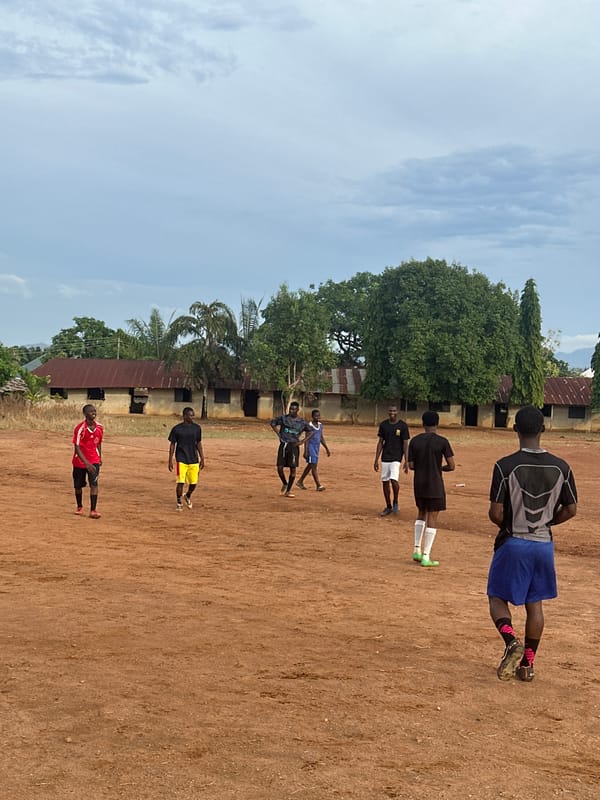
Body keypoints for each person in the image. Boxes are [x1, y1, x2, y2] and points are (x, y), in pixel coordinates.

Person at [487, 405, 577, 682]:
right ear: (543, 429)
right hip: (543, 545)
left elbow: (496, 513)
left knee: (496, 596)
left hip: (514, 541)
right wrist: (547, 523)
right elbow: (571, 509)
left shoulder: (505, 466)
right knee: (534, 604)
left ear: (515, 430)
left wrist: (511, 525)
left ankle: (510, 641)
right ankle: (527, 665)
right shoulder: (562, 467)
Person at [408, 411, 455, 567]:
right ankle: (426, 556)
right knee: (432, 518)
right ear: (437, 423)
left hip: (419, 483)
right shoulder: (442, 442)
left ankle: (416, 549)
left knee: (421, 513)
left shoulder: (414, 441)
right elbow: (451, 465)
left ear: (423, 423)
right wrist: (438, 468)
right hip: (435, 484)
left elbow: (411, 465)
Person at [270, 401, 313, 497]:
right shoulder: (284, 418)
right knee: (280, 468)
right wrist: (279, 434)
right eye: (290, 409)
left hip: (294, 446)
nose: (291, 411)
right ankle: (285, 483)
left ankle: (288, 490)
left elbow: (311, 431)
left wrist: (302, 441)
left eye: (294, 409)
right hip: (284, 444)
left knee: (293, 469)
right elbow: (273, 423)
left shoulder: (301, 422)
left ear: (297, 410)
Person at [373, 404, 410, 516]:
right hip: (386, 457)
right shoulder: (384, 425)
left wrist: (406, 460)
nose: (392, 412)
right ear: (388, 412)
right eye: (390, 411)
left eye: (394, 410)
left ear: (397, 411)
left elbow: (405, 444)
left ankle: (395, 501)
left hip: (396, 458)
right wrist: (376, 459)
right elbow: (380, 442)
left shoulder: (403, 426)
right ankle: (388, 506)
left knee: (394, 480)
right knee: (385, 481)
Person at [168, 407, 205, 512]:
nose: (192, 417)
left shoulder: (197, 428)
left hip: (194, 459)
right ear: (184, 416)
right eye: (190, 415)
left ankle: (187, 495)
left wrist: (202, 458)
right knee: (180, 482)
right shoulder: (177, 429)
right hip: (181, 459)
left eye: (193, 415)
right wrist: (170, 460)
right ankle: (179, 502)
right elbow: (172, 444)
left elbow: (198, 443)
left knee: (193, 483)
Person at [72, 404, 103, 519]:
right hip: (79, 462)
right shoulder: (80, 429)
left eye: (94, 411)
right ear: (85, 414)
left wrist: (99, 458)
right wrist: (86, 463)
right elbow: (77, 447)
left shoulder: (100, 427)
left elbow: (99, 442)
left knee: (94, 484)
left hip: (94, 460)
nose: (93, 413)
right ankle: (79, 506)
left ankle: (93, 510)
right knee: (78, 485)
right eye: (90, 411)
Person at [297, 409, 331, 491]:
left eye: (319, 416)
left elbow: (321, 437)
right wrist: (306, 451)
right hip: (310, 448)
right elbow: (306, 439)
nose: (318, 417)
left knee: (310, 465)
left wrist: (326, 448)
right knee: (314, 466)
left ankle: (300, 481)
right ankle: (318, 485)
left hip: (316, 448)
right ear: (312, 417)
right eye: (316, 416)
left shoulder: (320, 425)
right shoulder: (309, 426)